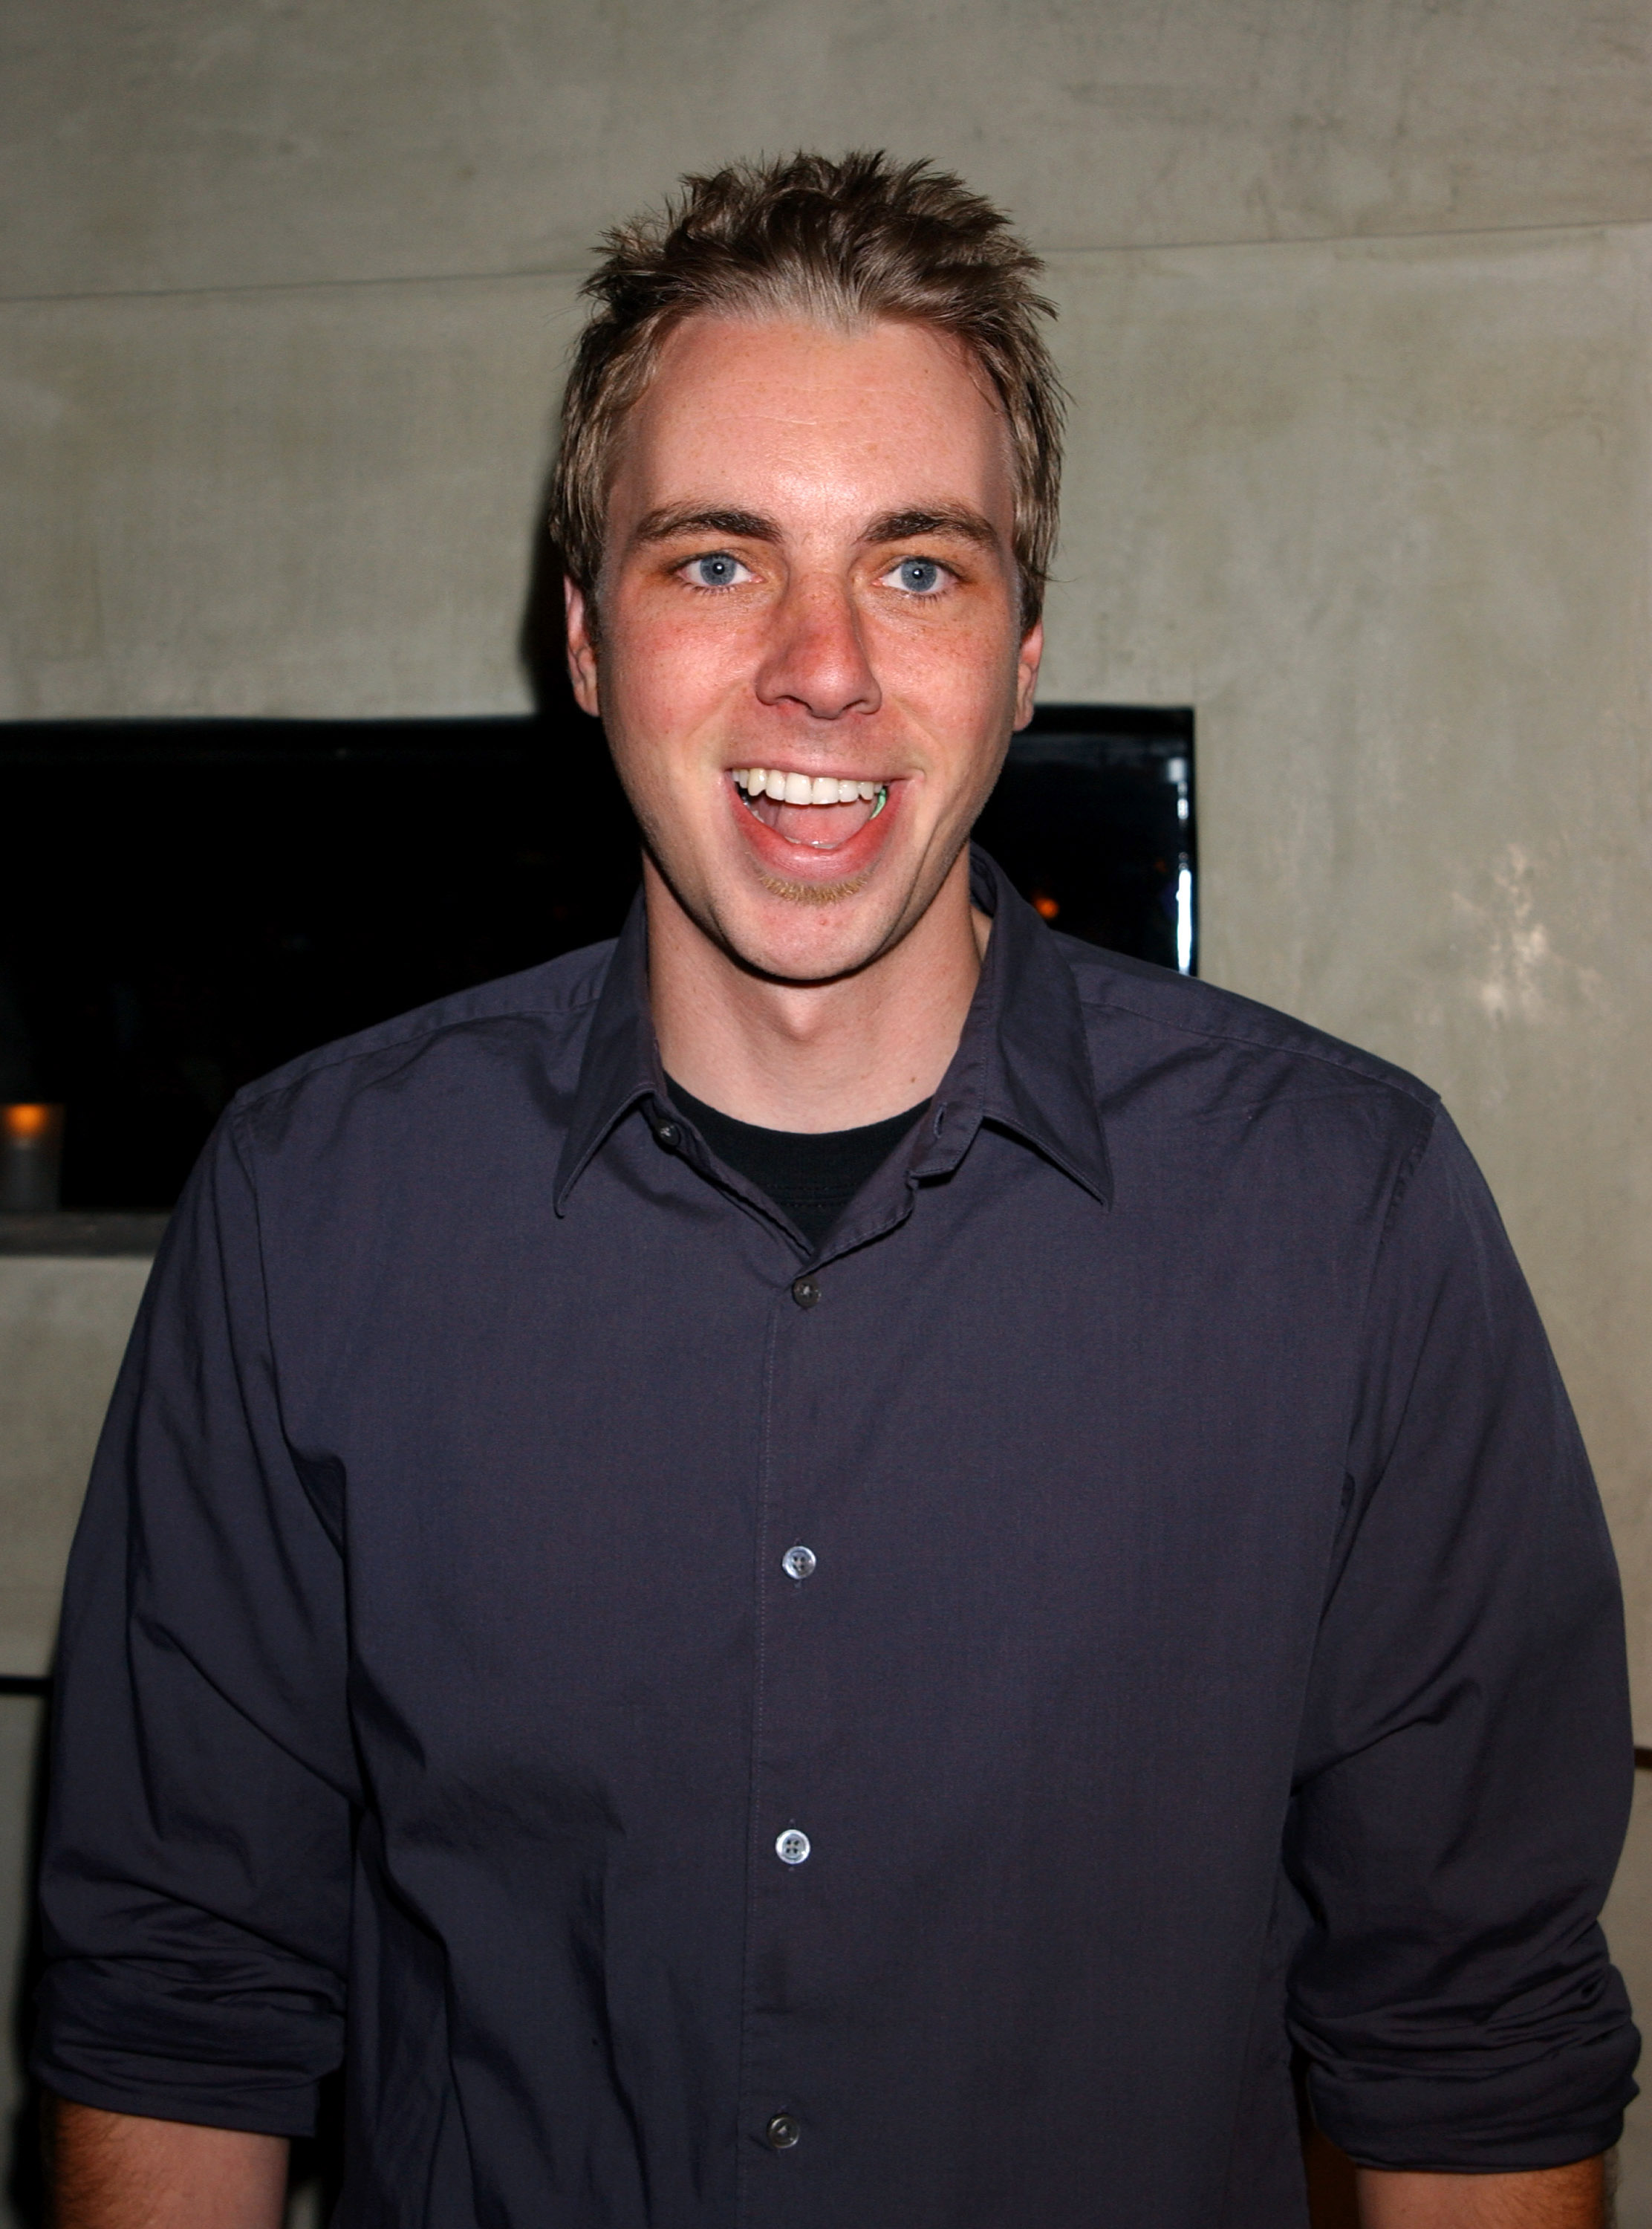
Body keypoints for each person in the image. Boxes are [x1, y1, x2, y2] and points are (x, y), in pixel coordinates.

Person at [34, 151, 1637, 2229]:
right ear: (587, 635)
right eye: (716, 562)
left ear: (1026, 648)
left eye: (917, 567)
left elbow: (1472, 2048)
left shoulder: (1347, 1218)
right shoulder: (312, 1208)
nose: (821, 668)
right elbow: (178, 2007)